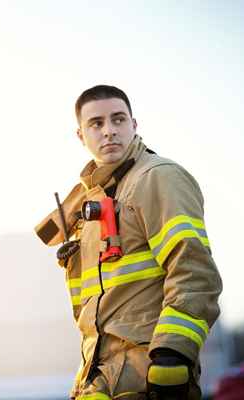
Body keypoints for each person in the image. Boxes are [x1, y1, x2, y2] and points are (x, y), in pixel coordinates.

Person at [35, 85, 222, 399]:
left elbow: (194, 270)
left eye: (118, 120)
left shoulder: (158, 177)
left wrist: (173, 353)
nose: (109, 131)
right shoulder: (91, 201)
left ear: (134, 125)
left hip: (149, 372)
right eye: (96, 124)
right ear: (81, 135)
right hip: (96, 375)